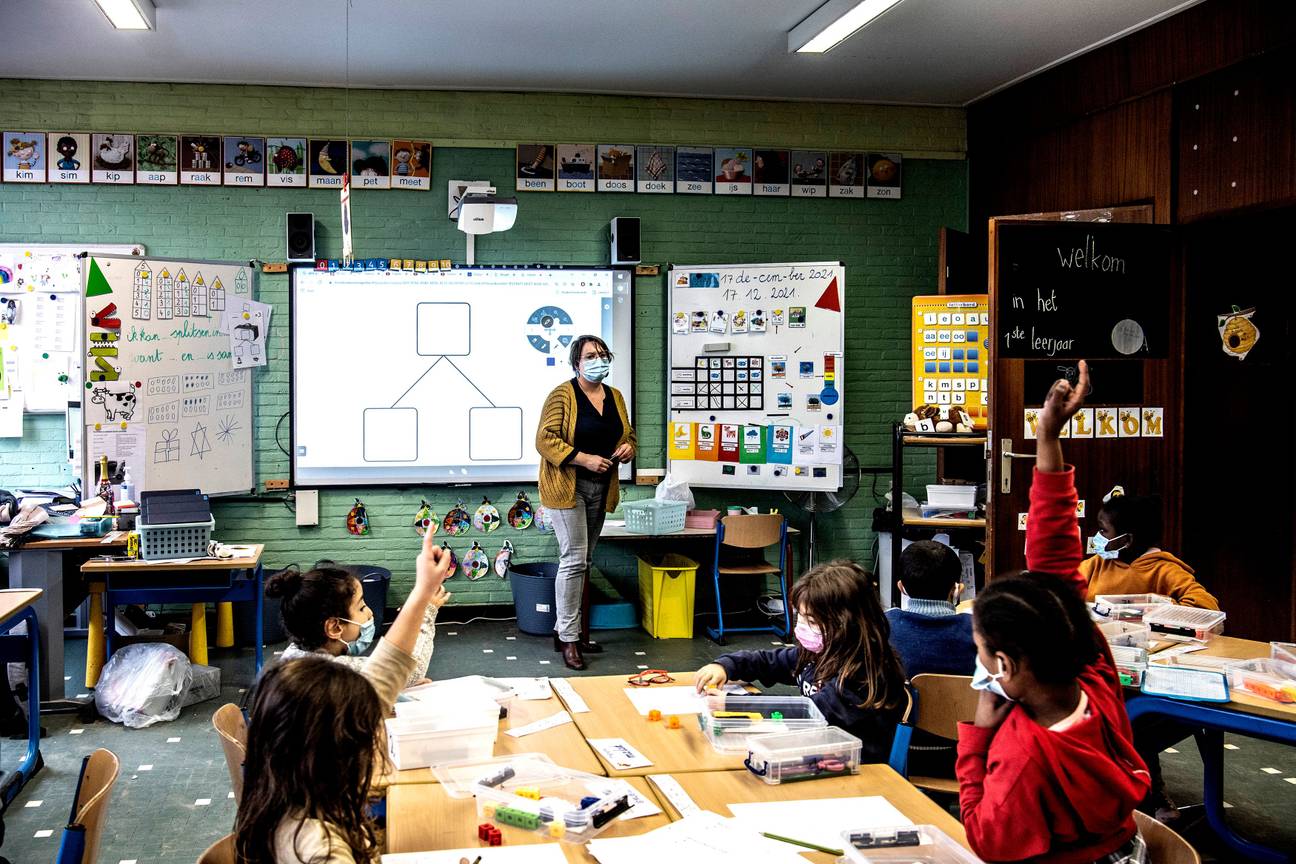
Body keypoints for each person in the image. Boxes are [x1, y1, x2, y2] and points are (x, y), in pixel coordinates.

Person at [957, 360, 1151, 863]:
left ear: (1005, 667)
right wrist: (1047, 435)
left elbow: (990, 841)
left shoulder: (1024, 757)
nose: (979, 665)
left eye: (981, 653)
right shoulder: (1094, 674)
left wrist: (977, 740)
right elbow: (1057, 557)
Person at [236, 536, 453, 863]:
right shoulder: (320, 847)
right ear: (334, 752)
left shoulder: (294, 787)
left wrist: (424, 590)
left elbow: (387, 670)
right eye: (364, 734)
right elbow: (386, 674)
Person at [694, 560, 907, 763]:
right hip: (815, 755)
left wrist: (735, 705)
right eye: (800, 617)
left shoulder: (866, 673)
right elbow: (768, 661)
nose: (801, 627)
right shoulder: (820, 652)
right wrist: (725, 666)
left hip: (857, 770)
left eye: (811, 620)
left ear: (846, 623)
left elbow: (809, 712)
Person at [535, 335, 636, 670]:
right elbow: (544, 439)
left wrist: (628, 449)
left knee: (585, 559)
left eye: (603, 354)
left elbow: (628, 434)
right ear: (576, 362)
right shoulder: (562, 395)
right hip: (567, 488)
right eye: (591, 355)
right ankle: (568, 637)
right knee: (574, 559)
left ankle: (572, 632)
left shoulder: (615, 396)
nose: (599, 360)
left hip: (600, 486)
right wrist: (583, 459)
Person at [266, 557, 451, 689]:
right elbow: (408, 670)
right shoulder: (328, 674)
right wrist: (425, 612)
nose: (369, 612)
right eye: (361, 607)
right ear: (335, 627)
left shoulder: (294, 656)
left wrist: (398, 687)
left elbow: (389, 679)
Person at [1082, 487, 1219, 609]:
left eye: (1103, 530)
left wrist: (1157, 611)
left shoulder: (1165, 570)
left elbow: (1207, 606)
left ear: (1127, 540)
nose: (1098, 536)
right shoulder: (1096, 565)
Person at [888, 540, 977, 678]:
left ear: (901, 587)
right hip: (965, 700)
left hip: (904, 700)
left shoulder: (884, 625)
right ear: (956, 590)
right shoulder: (978, 630)